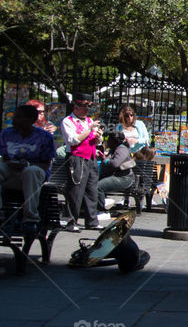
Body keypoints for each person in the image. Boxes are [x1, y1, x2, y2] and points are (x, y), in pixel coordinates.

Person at [0, 105, 56, 238]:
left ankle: (30, 219)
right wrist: (11, 164)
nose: (14, 119)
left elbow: (45, 164)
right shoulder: (6, 134)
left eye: (18, 117)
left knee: (31, 171)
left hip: (34, 175)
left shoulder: (44, 136)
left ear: (31, 119)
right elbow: (5, 158)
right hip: (11, 172)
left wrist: (27, 164)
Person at [61, 93, 102, 232]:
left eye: (88, 108)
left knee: (92, 190)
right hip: (77, 158)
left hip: (90, 158)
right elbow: (74, 140)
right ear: (76, 107)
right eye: (83, 108)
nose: (86, 111)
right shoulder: (68, 121)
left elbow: (95, 141)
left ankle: (92, 221)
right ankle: (71, 221)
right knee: (76, 190)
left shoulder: (89, 121)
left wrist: (98, 138)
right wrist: (89, 130)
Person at [97, 131, 136, 211]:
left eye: (109, 140)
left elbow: (115, 164)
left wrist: (106, 160)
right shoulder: (114, 149)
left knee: (98, 187)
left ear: (114, 141)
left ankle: (101, 210)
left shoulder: (122, 149)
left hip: (123, 178)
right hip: (114, 175)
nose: (107, 142)